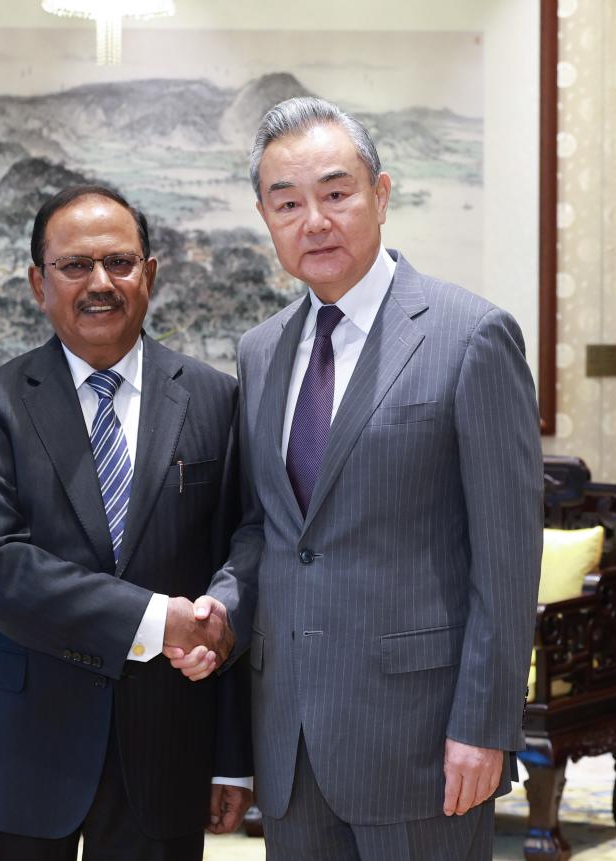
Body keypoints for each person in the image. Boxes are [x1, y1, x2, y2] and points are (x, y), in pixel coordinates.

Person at [169, 97, 543, 859]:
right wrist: (224, 605)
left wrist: (484, 723)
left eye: (337, 193)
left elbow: (507, 557)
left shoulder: (470, 336)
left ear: (381, 193)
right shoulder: (261, 350)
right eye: (288, 202)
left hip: (423, 736)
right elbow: (268, 529)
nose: (315, 220)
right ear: (265, 218)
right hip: (292, 736)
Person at [0, 185, 251, 861]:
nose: (100, 283)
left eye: (120, 262)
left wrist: (231, 757)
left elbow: (241, 553)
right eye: (76, 265)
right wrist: (156, 619)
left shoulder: (217, 399)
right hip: (20, 748)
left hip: (165, 748)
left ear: (151, 273)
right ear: (37, 282)